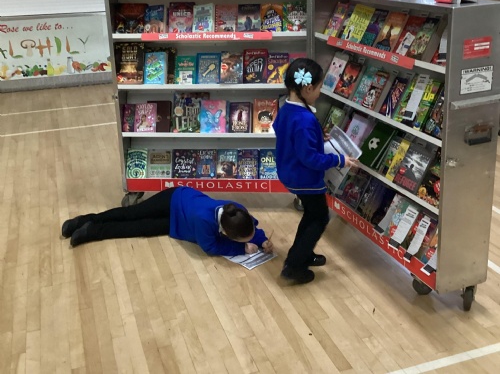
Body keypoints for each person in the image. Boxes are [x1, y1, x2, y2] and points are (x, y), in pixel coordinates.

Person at [272, 58, 358, 284]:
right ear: (308, 88)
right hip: (305, 179)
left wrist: (316, 138)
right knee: (319, 217)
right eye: (320, 87)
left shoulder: (286, 108)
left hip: (289, 172)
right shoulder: (305, 120)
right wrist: (340, 159)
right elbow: (310, 158)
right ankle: (294, 266)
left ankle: (303, 253)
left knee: (312, 214)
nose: (320, 93)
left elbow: (282, 130)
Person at [61, 186, 274, 256]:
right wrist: (240, 249)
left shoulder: (238, 212)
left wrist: (261, 239)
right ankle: (83, 221)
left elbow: (250, 226)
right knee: (131, 213)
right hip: (173, 199)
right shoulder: (205, 222)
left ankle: (91, 232)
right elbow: (210, 247)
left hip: (177, 220)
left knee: (136, 228)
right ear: (226, 233)